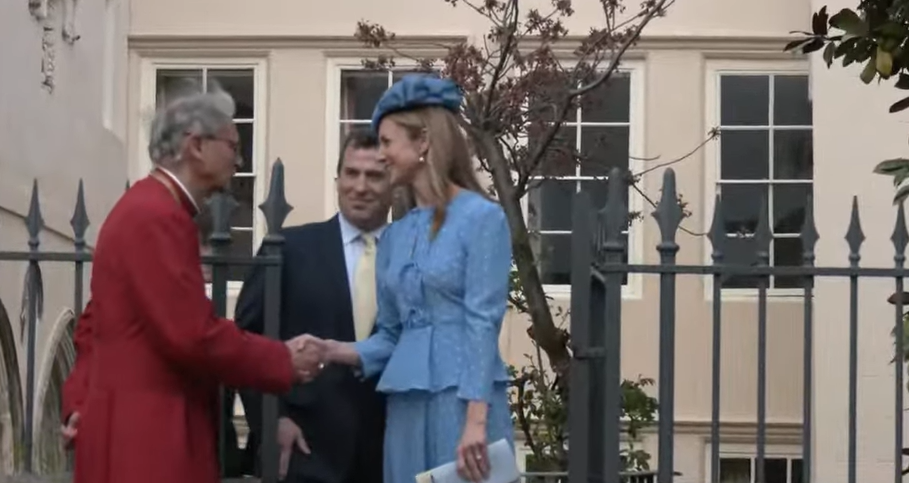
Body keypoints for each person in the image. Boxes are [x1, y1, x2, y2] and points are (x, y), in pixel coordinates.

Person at [60, 85, 324, 483]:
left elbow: (96, 323)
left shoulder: (145, 207)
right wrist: (281, 359)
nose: (239, 160)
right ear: (196, 145)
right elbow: (192, 335)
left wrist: (80, 398)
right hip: (151, 439)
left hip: (129, 429)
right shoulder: (159, 217)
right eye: (233, 146)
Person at [313, 74, 514, 483]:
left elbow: (483, 322)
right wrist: (333, 350)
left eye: (387, 142)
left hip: (463, 404)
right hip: (406, 405)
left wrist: (475, 421)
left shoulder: (483, 218)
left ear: (422, 141)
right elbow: (391, 334)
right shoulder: (395, 235)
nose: (381, 154)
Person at [236, 129, 391, 483]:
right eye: (351, 173)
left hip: (390, 451)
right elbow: (246, 339)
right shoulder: (289, 248)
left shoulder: (412, 255)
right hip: (305, 450)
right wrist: (272, 418)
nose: (361, 186)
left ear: (393, 184)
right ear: (338, 181)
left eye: (374, 176)